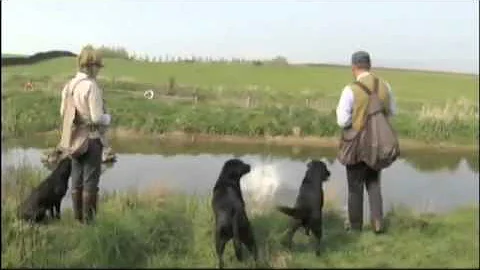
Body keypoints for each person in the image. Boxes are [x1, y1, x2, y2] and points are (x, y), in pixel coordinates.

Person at [335, 51, 397, 233]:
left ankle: (355, 229)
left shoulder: (350, 89)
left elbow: (342, 121)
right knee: (374, 184)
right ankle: (378, 224)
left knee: (355, 188)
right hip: (378, 144)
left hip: (356, 145)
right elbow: (392, 111)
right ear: (369, 65)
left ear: (354, 67)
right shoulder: (385, 86)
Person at [58, 45, 111, 223]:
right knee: (90, 184)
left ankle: (78, 221)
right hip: (91, 140)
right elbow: (97, 117)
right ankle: (90, 225)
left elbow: (63, 113)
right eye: (98, 67)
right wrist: (108, 118)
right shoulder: (91, 86)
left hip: (74, 140)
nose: (98, 71)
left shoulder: (69, 85)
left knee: (76, 182)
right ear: (91, 65)